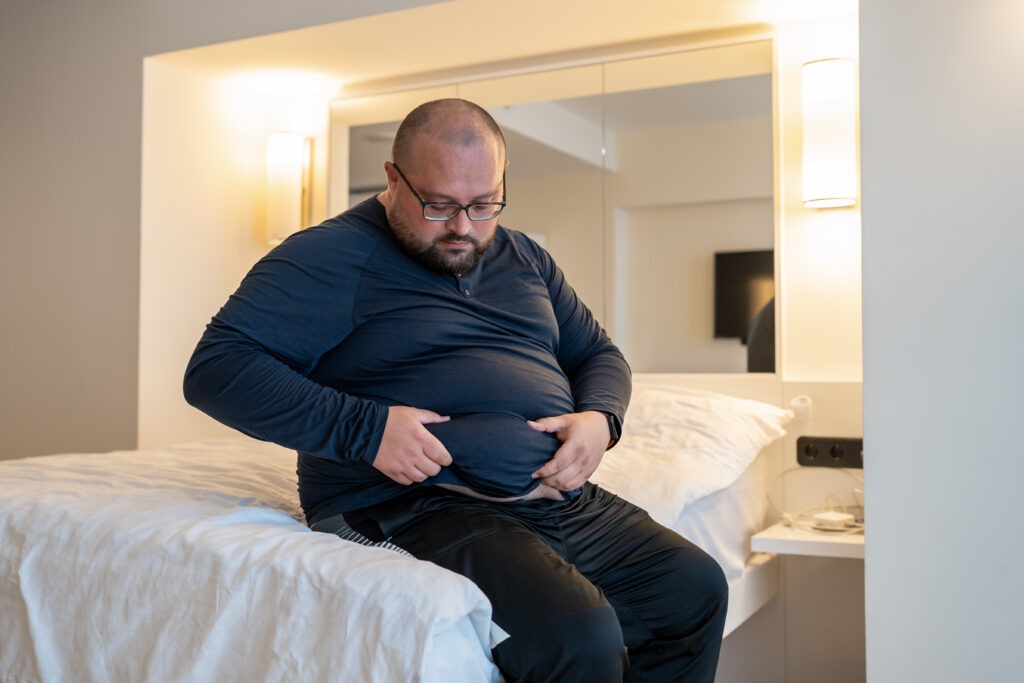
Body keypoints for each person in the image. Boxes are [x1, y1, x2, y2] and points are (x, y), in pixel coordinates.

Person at [184, 98, 727, 682]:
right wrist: (366, 430)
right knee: (577, 634)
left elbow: (596, 354)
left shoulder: (525, 257)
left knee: (693, 590)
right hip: (407, 504)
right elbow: (217, 368)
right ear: (393, 178)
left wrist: (600, 418)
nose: (464, 227)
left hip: (557, 500)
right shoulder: (330, 256)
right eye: (438, 205)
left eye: (483, 203)